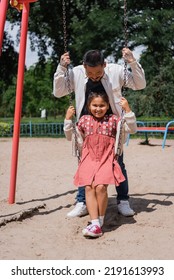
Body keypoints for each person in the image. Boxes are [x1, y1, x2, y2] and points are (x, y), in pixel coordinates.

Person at [53, 48, 146, 218]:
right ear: (83, 66)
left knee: (118, 164)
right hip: (87, 127)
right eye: (90, 73)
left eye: (98, 72)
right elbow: (58, 92)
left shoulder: (116, 71)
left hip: (111, 127)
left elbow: (140, 85)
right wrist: (61, 68)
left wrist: (132, 62)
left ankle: (123, 201)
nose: (94, 76)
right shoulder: (76, 73)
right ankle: (81, 202)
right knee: (85, 166)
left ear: (105, 65)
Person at [64, 91, 137, 237]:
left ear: (108, 105)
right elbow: (70, 137)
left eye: (102, 105)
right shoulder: (84, 120)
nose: (98, 109)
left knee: (100, 187)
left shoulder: (114, 120)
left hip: (107, 157)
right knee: (89, 187)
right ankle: (95, 222)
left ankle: (100, 219)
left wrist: (127, 110)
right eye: (95, 105)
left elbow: (132, 129)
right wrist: (67, 119)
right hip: (89, 157)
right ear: (89, 106)